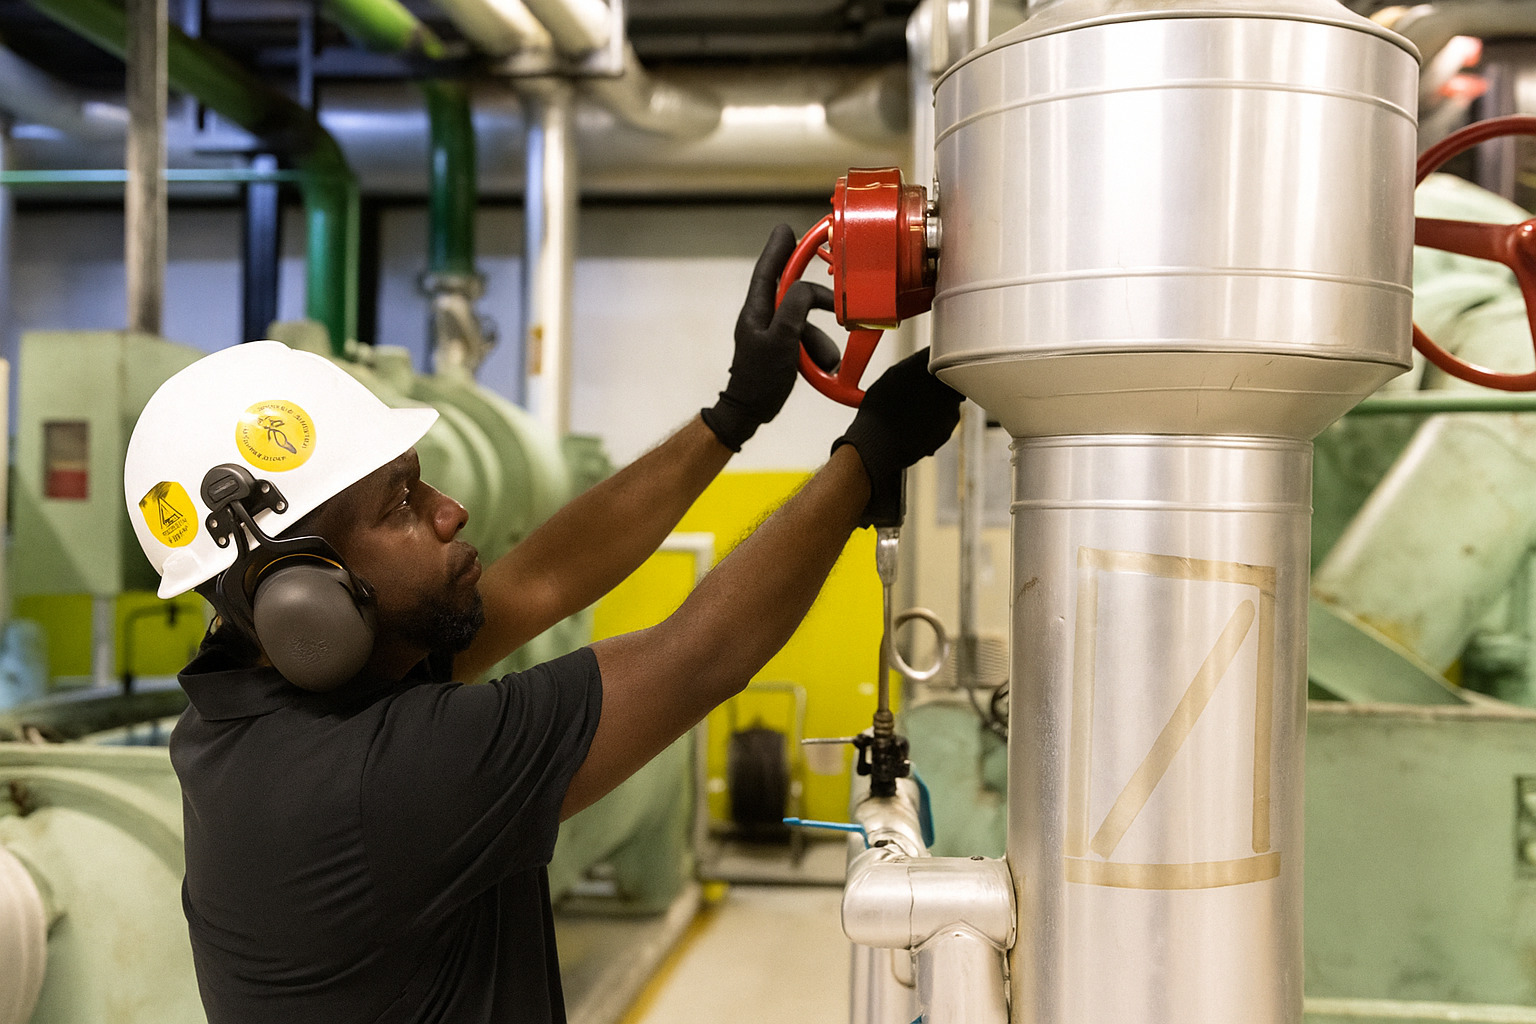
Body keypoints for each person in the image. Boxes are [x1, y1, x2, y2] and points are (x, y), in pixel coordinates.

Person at [122, 225, 964, 1024]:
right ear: (304, 594)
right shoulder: (372, 784)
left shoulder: (257, 702)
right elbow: (699, 656)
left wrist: (733, 414)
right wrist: (867, 456)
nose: (450, 512)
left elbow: (541, 579)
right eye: (403, 504)